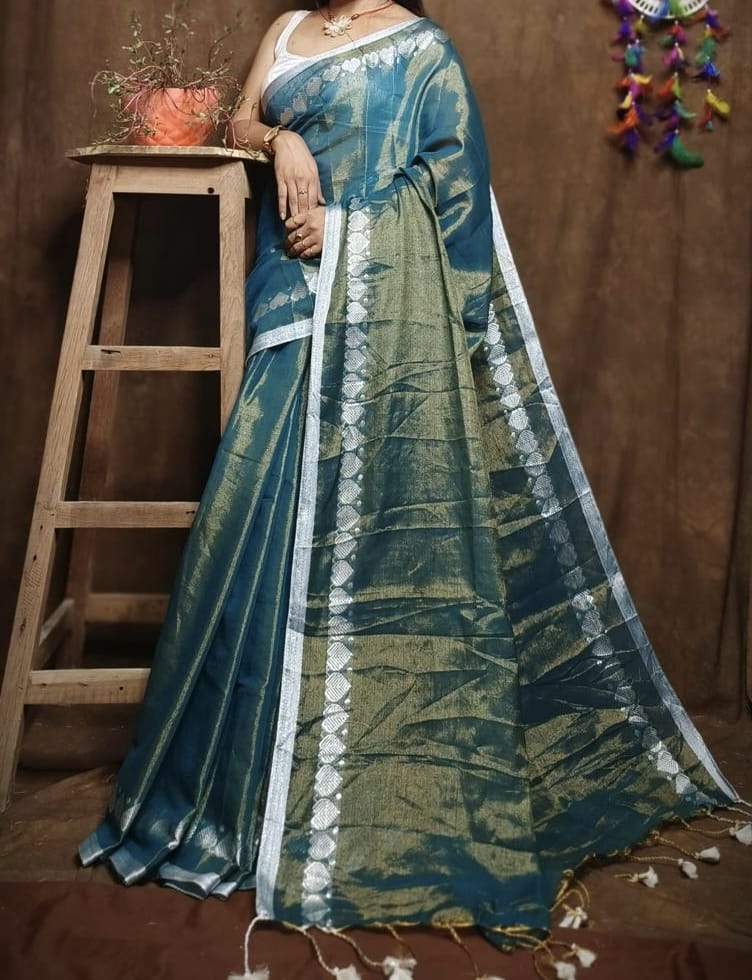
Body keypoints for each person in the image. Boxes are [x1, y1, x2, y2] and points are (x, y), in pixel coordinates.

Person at [78, 0, 741, 965]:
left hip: (374, 308)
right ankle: (237, 802)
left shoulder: (425, 53)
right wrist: (280, 142)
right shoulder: (289, 28)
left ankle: (371, 800)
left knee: (369, 542)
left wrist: (348, 231)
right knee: (250, 522)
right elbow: (241, 119)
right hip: (288, 299)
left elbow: (452, 190)